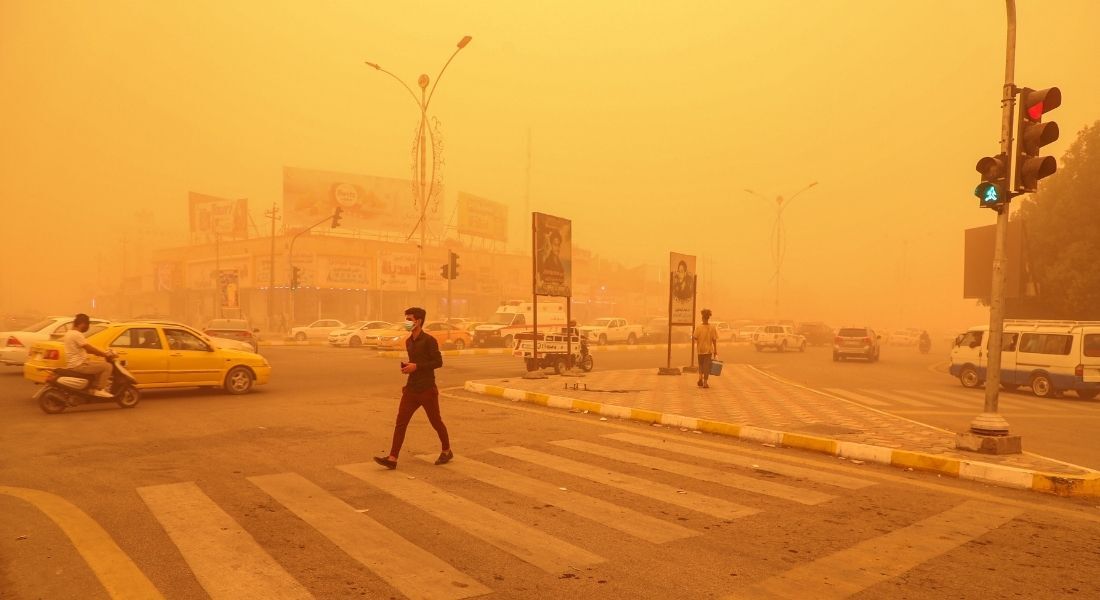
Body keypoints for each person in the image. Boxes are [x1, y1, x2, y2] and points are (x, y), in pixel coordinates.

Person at [374, 307, 452, 469]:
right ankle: (393, 458)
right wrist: (408, 367)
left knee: (435, 421)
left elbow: (438, 362)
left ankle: (447, 450)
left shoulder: (429, 340)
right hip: (411, 389)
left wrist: (416, 367)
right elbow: (415, 362)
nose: (407, 323)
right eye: (406, 319)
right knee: (400, 423)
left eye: (409, 320)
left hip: (427, 389)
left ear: (419, 321)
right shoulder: (409, 341)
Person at [61, 313, 115, 397]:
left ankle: (92, 388)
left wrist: (100, 353)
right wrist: (104, 354)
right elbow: (88, 348)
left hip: (74, 364)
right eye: (87, 325)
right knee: (107, 366)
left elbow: (85, 349)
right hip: (79, 365)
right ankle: (99, 389)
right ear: (82, 324)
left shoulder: (69, 333)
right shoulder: (77, 334)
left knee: (98, 364)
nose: (87, 327)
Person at [693, 308, 718, 388]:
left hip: (700, 350)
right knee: (706, 367)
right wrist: (715, 351)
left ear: (702, 317)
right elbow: (714, 340)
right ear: (708, 318)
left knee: (700, 365)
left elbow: (695, 337)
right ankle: (705, 383)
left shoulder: (698, 327)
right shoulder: (712, 328)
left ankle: (700, 377)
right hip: (708, 350)